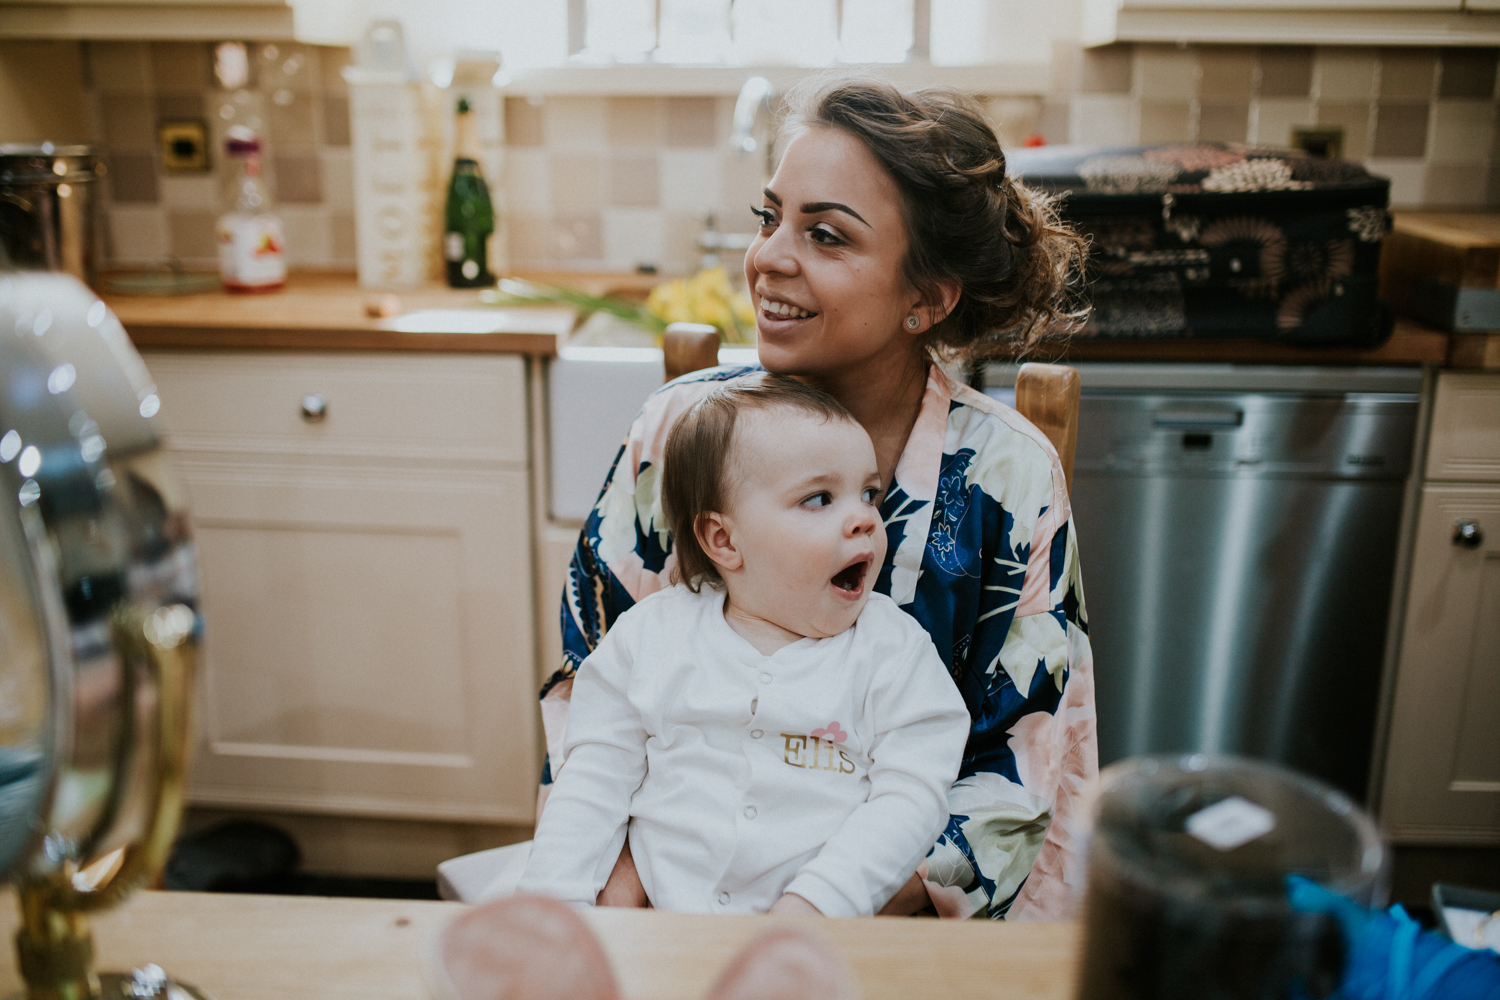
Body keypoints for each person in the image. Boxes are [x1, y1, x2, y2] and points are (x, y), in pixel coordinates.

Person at [540, 78, 1097, 920]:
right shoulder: (678, 431)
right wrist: (629, 902)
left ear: (928, 297)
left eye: (826, 234)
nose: (768, 256)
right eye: (770, 218)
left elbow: (1023, 775)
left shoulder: (1005, 479)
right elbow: (592, 693)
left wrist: (821, 923)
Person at [519, 378, 971, 915]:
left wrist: (819, 902)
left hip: (812, 941)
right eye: (819, 498)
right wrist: (553, 906)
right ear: (724, 540)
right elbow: (592, 780)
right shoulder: (650, 638)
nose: (864, 518)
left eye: (869, 493)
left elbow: (913, 796)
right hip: (660, 936)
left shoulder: (895, 653)